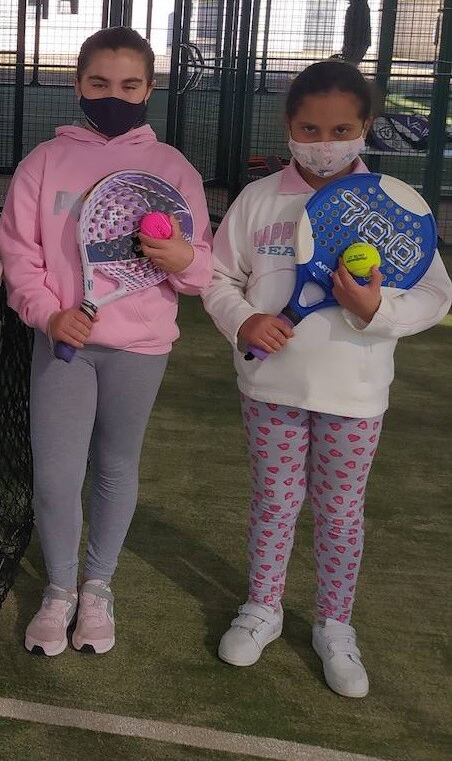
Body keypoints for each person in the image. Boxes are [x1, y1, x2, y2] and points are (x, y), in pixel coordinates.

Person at [202, 60, 452, 697]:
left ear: (365, 127)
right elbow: (218, 278)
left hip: (355, 398)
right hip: (270, 392)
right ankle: (264, 607)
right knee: (274, 503)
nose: (324, 142)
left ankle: (335, 625)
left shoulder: (393, 207)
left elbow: (433, 294)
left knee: (340, 514)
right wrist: (245, 321)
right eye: (309, 129)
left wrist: (377, 311)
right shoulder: (260, 201)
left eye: (341, 129)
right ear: (289, 127)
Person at [0, 27, 214, 656]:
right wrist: (47, 315)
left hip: (140, 351)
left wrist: (179, 256)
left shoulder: (173, 170)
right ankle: (59, 590)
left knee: (116, 469)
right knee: (57, 478)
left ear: (149, 89)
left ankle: (98, 587)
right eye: (99, 83)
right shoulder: (44, 162)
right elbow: (20, 254)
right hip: (63, 345)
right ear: (78, 86)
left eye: (128, 85)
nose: (112, 96)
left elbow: (201, 271)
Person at [340, 0, 371, 66]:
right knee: (350, 66)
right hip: (357, 43)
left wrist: (348, 45)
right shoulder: (358, 5)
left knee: (350, 66)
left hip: (357, 43)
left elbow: (355, 28)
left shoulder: (358, 7)